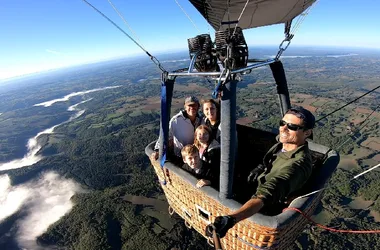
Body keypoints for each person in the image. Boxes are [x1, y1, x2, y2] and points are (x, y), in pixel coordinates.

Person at [207, 106, 315, 238]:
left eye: (292, 126)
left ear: (307, 133)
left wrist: (231, 219)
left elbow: (267, 193)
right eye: (282, 123)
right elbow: (269, 161)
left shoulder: (297, 165)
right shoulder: (284, 144)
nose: (283, 129)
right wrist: (260, 167)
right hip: (255, 185)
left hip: (263, 207)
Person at [152, 96, 203, 162]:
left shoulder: (201, 119)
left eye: (194, 105)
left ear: (198, 107)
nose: (192, 107)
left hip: (196, 157)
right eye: (189, 105)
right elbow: (165, 135)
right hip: (180, 157)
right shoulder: (176, 120)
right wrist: (158, 150)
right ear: (185, 107)